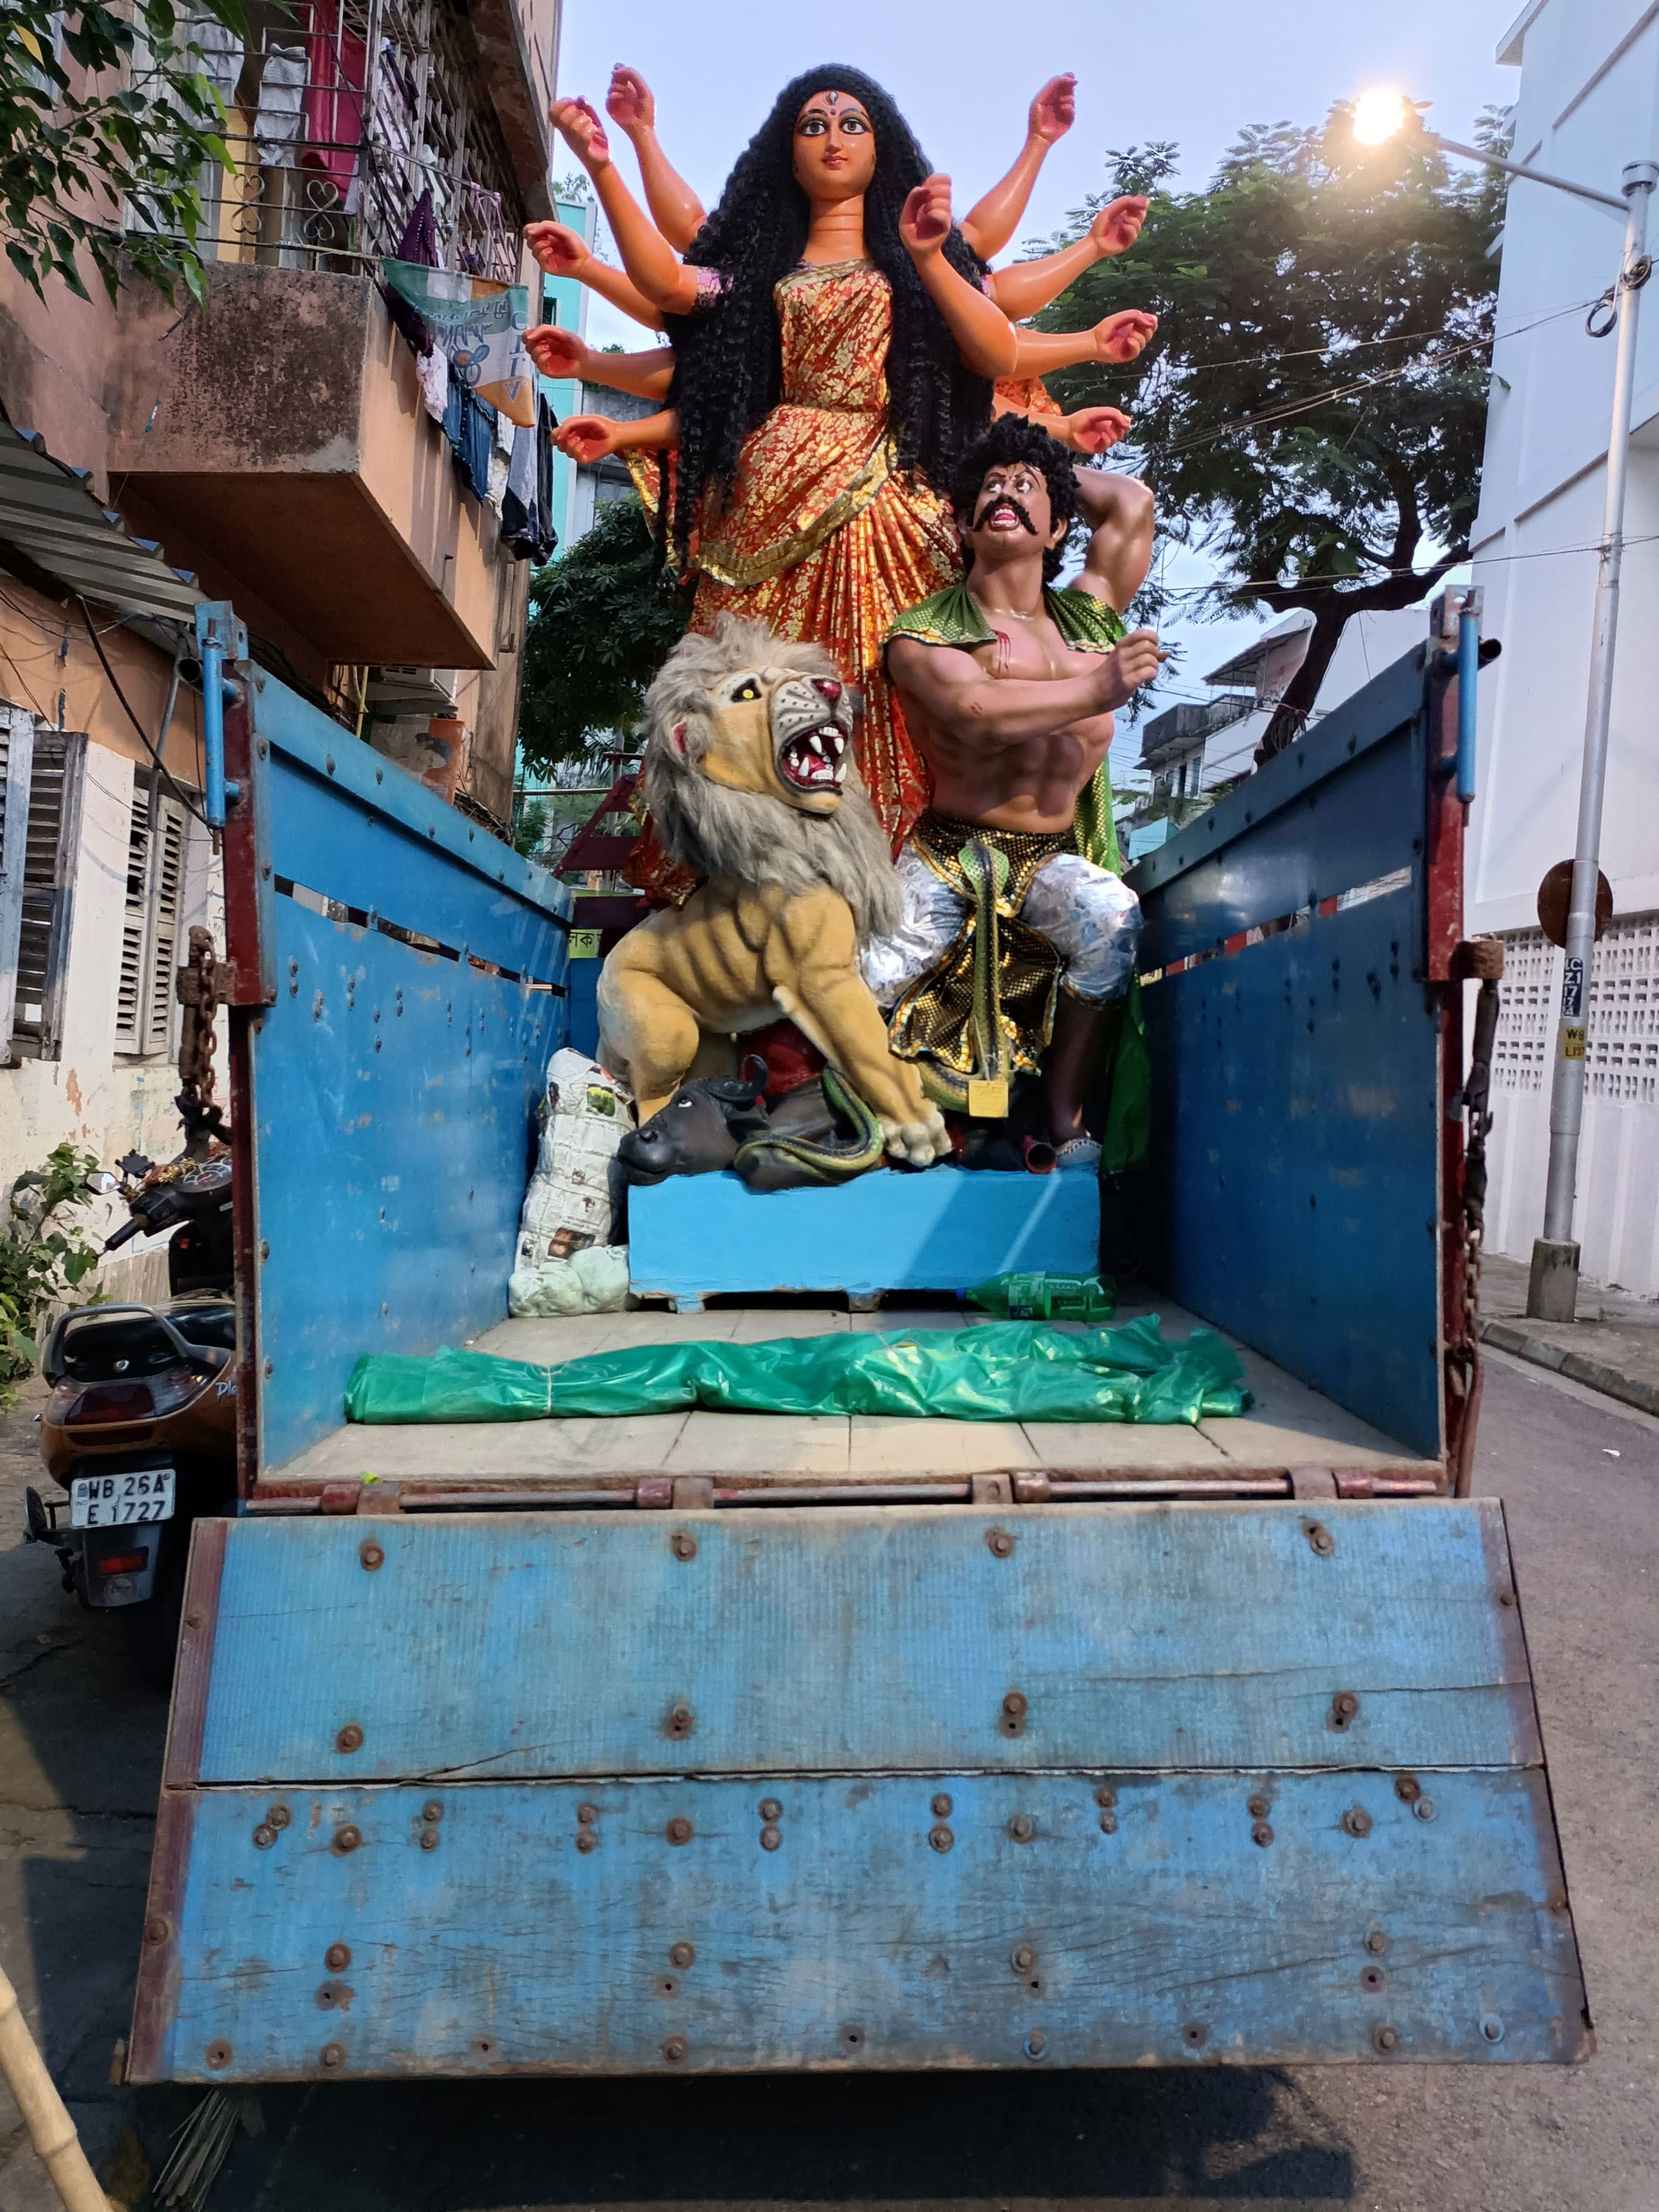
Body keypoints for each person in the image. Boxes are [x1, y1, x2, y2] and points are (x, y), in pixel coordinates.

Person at [531, 68, 1156, 846]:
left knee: (910, 672)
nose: (832, 138)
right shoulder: (762, 274)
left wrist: (1055, 192)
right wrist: (606, 163)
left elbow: (992, 331)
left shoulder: (923, 265)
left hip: (897, 492)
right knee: (756, 678)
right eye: (813, 125)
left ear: (880, 146)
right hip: (771, 490)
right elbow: (670, 283)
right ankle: (751, 845)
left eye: (852, 124)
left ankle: (902, 848)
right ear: (786, 155)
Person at [861, 414, 1158, 1161]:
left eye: (1025, 491)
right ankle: (874, 1114)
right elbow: (977, 711)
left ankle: (1064, 1114)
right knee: (864, 976)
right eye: (990, 487)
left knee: (1113, 920)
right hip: (948, 855)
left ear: (1059, 529)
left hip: (1048, 857)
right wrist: (1098, 688)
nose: (1005, 493)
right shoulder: (925, 630)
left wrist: (1036, 458)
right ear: (963, 522)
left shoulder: (1090, 617)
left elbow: (1130, 503)